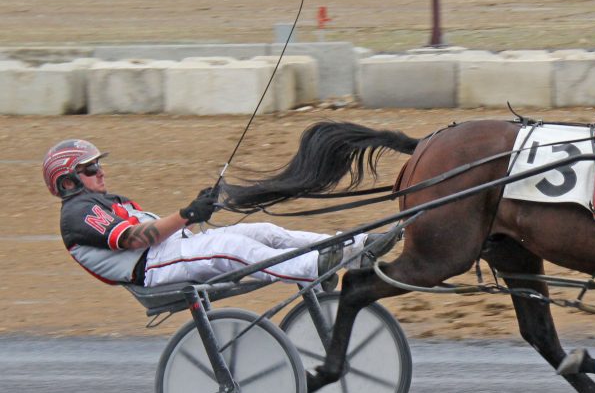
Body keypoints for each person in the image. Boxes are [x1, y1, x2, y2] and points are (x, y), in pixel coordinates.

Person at [44, 139, 371, 290]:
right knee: (235, 249)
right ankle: (314, 266)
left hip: (173, 250)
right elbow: (133, 240)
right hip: (153, 268)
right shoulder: (77, 213)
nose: (100, 171)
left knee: (262, 232)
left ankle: (353, 247)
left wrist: (198, 208)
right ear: (68, 181)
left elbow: (157, 229)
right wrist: (187, 214)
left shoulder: (105, 200)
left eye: (98, 164)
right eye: (90, 168)